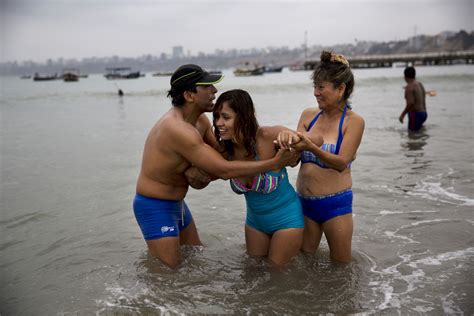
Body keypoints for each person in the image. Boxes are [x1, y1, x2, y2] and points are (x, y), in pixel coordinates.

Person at [133, 64, 298, 269]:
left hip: (178, 204)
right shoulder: (177, 129)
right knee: (168, 274)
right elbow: (224, 169)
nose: (214, 91)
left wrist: (258, 141)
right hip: (154, 205)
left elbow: (223, 153)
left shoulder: (200, 120)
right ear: (189, 95)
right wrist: (275, 163)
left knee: (195, 258)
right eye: (207, 86)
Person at [277, 51, 365, 263]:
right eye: (315, 87)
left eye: (321, 87)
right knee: (303, 264)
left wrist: (311, 146)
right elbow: (294, 159)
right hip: (304, 203)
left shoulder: (353, 122)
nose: (316, 93)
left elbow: (342, 163)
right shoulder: (309, 115)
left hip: (335, 205)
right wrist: (285, 140)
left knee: (341, 268)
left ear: (341, 89)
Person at [212, 89, 309, 267]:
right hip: (254, 223)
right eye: (217, 117)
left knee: (276, 276)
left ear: (244, 116)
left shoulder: (267, 136)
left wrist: (293, 137)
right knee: (253, 274)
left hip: (287, 220)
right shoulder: (225, 149)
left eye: (226, 117)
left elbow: (315, 139)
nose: (219, 123)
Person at [399, 66, 428, 131]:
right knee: (418, 134)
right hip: (423, 113)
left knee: (412, 136)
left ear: (405, 76)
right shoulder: (419, 84)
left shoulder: (409, 87)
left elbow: (411, 103)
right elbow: (423, 96)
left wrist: (402, 115)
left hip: (415, 114)